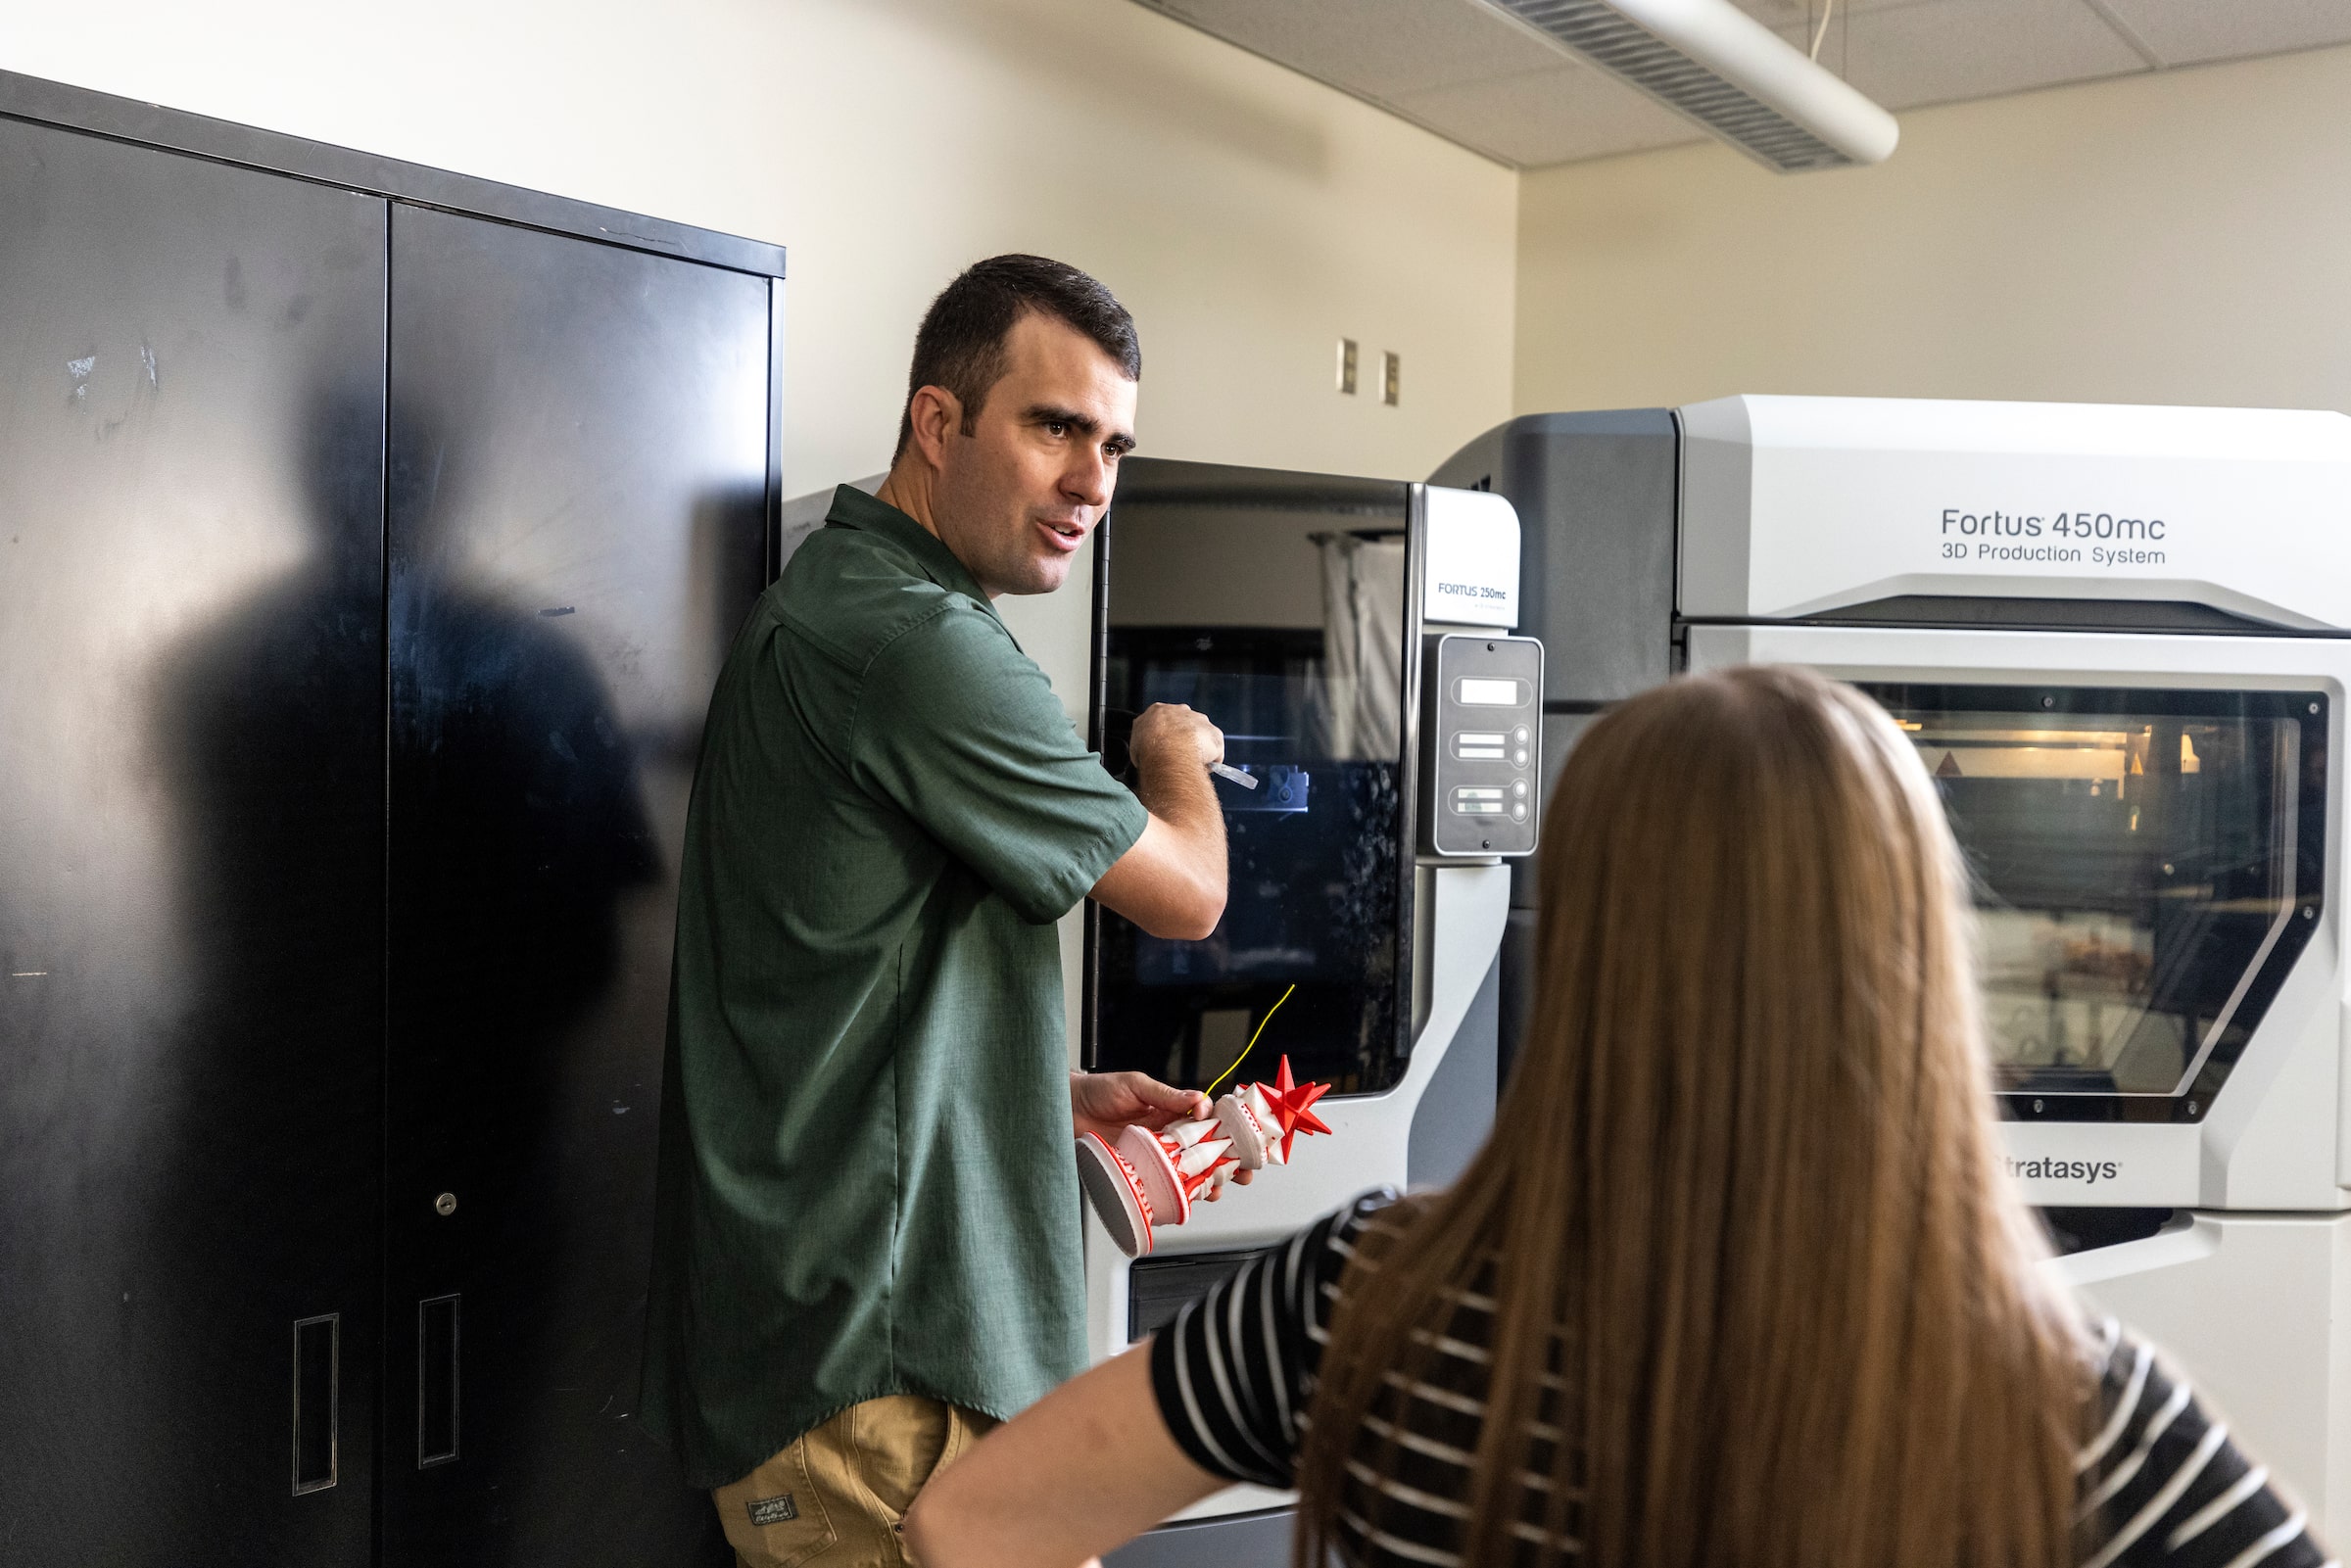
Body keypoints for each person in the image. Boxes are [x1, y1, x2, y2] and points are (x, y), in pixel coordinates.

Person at [902, 665, 2333, 1568]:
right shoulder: (2067, 1411)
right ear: (1920, 963)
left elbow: (970, 1519)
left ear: (1585, 951)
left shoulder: (1370, 1301)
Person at [642, 255, 1236, 1568]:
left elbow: (838, 973)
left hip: (852, 1370)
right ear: (938, 421)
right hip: (887, 1386)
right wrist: (1170, 745)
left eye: (1114, 443)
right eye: (1056, 426)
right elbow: (1189, 893)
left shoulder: (839, 607)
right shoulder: (919, 643)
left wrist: (1041, 1085)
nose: (1093, 482)